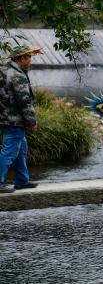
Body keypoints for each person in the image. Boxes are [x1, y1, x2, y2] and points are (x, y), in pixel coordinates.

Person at [0, 45, 42, 193]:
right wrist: (32, 122)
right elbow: (24, 102)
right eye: (29, 57)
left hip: (4, 117)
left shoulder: (4, 70)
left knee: (21, 148)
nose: (31, 60)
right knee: (9, 151)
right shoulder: (18, 75)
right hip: (14, 120)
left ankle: (22, 181)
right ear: (22, 58)